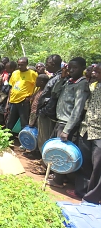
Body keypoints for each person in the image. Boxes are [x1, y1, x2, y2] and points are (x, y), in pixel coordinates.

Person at [47, 57, 90, 188]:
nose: (71, 70)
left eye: (75, 68)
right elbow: (54, 93)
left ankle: (59, 180)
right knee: (56, 149)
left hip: (67, 123)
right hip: (60, 120)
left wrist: (67, 130)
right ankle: (57, 175)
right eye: (69, 67)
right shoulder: (69, 81)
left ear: (83, 68)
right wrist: (62, 78)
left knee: (62, 152)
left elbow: (77, 110)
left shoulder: (81, 84)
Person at [74, 63, 101, 204]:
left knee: (97, 168)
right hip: (86, 129)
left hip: (99, 133)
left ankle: (92, 197)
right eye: (94, 71)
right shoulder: (92, 87)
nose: (94, 74)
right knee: (84, 164)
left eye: (98, 72)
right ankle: (81, 192)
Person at [7, 57, 38, 131]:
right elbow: (11, 87)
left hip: (23, 101)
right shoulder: (15, 73)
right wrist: (9, 99)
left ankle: (23, 139)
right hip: (13, 100)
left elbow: (37, 87)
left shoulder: (32, 74)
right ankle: (9, 137)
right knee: (10, 121)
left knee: (23, 121)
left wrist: (31, 97)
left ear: (27, 64)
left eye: (22, 65)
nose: (20, 67)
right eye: (19, 65)